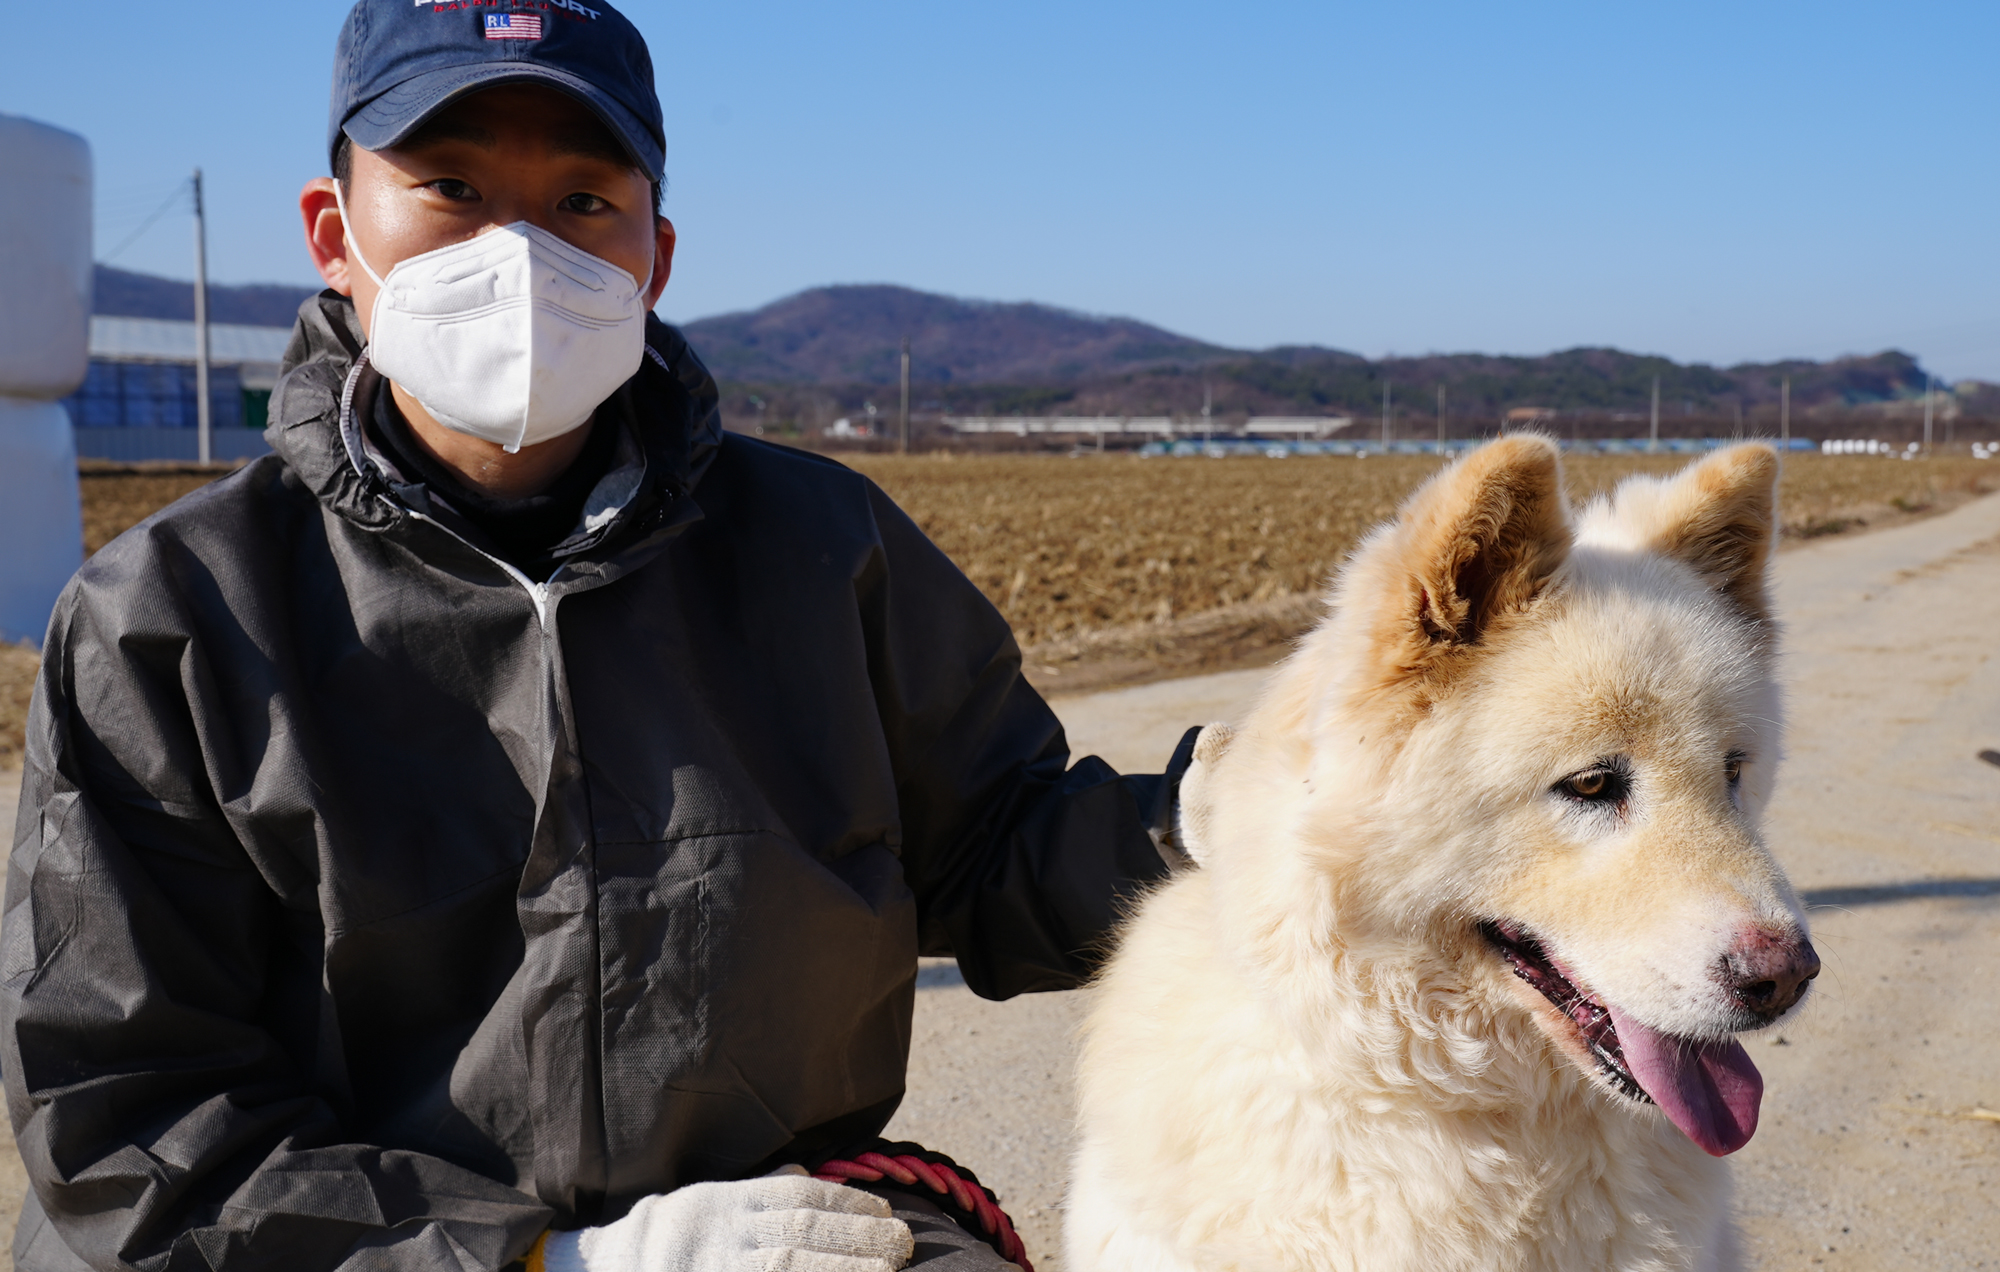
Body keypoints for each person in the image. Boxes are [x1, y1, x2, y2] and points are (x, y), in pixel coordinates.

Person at [0, 3, 1194, 1270]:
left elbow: (993, 847)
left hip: (772, 1229)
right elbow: (130, 1118)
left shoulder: (820, 545)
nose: (516, 251)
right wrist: (552, 1261)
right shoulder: (175, 618)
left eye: (582, 202)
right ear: (333, 233)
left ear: (654, 257)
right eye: (449, 186)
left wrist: (1224, 821)